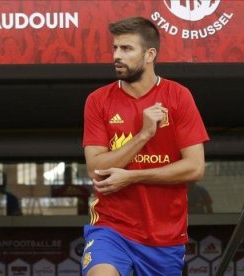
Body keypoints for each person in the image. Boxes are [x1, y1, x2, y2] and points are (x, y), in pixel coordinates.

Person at [81, 17, 209, 276]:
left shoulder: (178, 96)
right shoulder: (98, 100)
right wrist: (143, 134)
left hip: (165, 236)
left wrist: (132, 177)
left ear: (150, 54)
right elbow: (96, 169)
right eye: (115, 48)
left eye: (126, 49)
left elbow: (195, 168)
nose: (117, 55)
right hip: (112, 227)